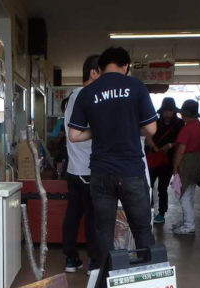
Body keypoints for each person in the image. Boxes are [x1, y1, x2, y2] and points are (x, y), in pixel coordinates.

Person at [68, 46, 158, 263]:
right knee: (141, 230)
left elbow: (74, 135)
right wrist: (128, 127)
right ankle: (145, 284)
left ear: (100, 68)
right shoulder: (136, 87)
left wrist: (98, 129)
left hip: (101, 172)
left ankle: (108, 285)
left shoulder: (88, 92)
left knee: (103, 232)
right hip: (131, 172)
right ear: (125, 66)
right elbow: (151, 129)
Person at [62, 54, 101, 274]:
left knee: (73, 213)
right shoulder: (89, 96)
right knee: (93, 215)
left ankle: (71, 259)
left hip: (73, 168)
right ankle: (94, 261)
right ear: (94, 72)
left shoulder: (73, 96)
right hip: (88, 166)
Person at [145, 97, 183, 224]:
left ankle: (161, 213)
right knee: (148, 186)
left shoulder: (179, 124)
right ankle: (147, 209)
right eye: (165, 111)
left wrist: (170, 145)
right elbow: (147, 137)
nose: (167, 113)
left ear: (174, 111)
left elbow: (181, 142)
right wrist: (155, 148)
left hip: (168, 161)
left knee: (162, 187)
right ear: (161, 111)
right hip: (153, 158)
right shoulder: (155, 121)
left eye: (170, 111)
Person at [170, 99, 200, 235]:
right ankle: (187, 220)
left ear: (185, 114)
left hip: (187, 161)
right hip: (198, 160)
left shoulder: (187, 129)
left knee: (183, 195)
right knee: (190, 193)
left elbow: (181, 150)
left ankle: (189, 225)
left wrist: (175, 167)